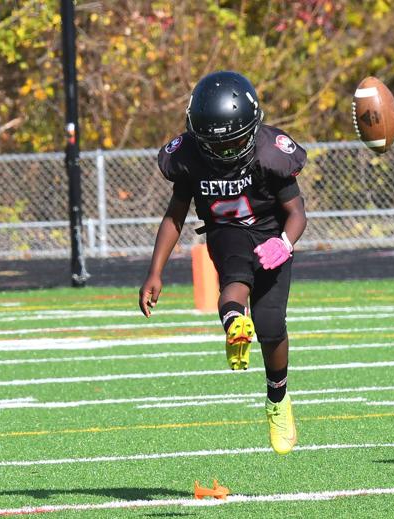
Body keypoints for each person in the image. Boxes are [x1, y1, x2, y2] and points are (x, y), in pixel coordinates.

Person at [138, 70, 307, 456]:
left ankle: (278, 399)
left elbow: (296, 212)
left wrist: (284, 242)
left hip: (271, 233)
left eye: (234, 143)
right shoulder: (190, 157)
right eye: (219, 146)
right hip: (224, 230)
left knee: (271, 325)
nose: (227, 154)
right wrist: (155, 271)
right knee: (235, 276)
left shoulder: (269, 152)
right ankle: (234, 324)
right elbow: (175, 215)